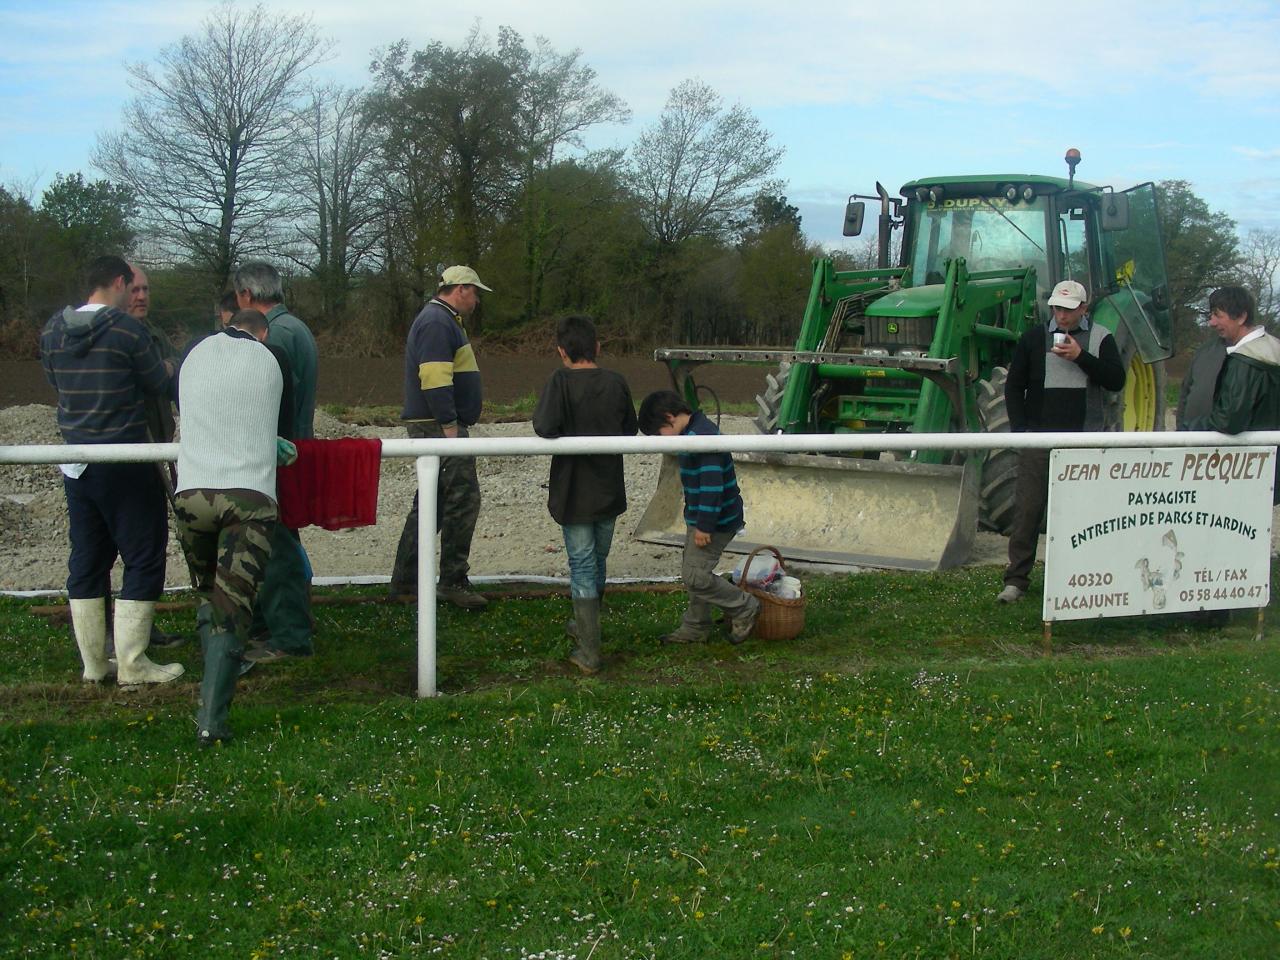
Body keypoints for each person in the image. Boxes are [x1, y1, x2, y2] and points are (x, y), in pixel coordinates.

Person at [39, 255, 184, 685]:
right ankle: (134, 664)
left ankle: (94, 664)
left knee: (87, 558)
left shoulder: (52, 331)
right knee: (143, 555)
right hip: (123, 457)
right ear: (119, 282)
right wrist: (173, 367)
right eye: (131, 286)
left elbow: (55, 382)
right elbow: (158, 382)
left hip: (76, 462)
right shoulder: (127, 330)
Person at [175, 308, 295, 745]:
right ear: (262, 333)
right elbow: (285, 418)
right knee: (233, 608)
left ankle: (214, 683)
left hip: (190, 495)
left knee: (209, 593)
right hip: (249, 497)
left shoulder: (194, 353)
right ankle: (212, 722)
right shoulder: (271, 357)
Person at [998, 279, 1126, 603]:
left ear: (1084, 308)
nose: (1062, 316)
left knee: (1081, 515)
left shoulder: (1101, 337)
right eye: (1057, 308)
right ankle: (1016, 581)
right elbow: (1013, 387)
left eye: (1069, 310)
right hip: (1038, 439)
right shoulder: (1032, 338)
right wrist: (1020, 430)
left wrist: (1082, 357)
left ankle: (1078, 577)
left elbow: (1116, 380)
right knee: (1027, 511)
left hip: (1084, 440)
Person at [532, 315, 638, 673]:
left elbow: (544, 426)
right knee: (597, 560)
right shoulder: (616, 381)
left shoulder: (559, 381)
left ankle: (589, 651)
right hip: (608, 489)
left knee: (582, 564)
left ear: (562, 351)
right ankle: (585, 627)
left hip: (574, 492)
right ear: (597, 347)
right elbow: (630, 429)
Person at [390, 265, 490, 610]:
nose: (477, 300)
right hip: (438, 425)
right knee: (463, 499)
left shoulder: (441, 319)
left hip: (435, 422)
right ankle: (452, 580)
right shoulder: (437, 321)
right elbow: (434, 377)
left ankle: (405, 582)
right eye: (475, 292)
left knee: (432, 503)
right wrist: (449, 426)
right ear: (460, 289)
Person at [232, 262, 318, 662]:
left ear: (246, 296)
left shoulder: (273, 336)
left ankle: (287, 631)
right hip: (291, 449)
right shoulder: (295, 327)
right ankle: (284, 621)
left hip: (276, 456)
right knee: (282, 544)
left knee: (277, 548)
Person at [637, 390, 760, 644]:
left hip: (715, 521)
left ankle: (744, 606)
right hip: (702, 518)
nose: (660, 441)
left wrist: (704, 526)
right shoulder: (690, 433)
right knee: (694, 569)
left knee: (695, 576)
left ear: (670, 418)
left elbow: (712, 487)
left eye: (658, 434)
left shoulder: (702, 439)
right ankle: (696, 625)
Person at [1180, 286, 1280, 444]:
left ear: (1241, 317)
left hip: (1251, 457)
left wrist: (1188, 429)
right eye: (1211, 315)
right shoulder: (1273, 349)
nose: (1211, 322)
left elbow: (1228, 419)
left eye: (1218, 315)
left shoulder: (1247, 359)